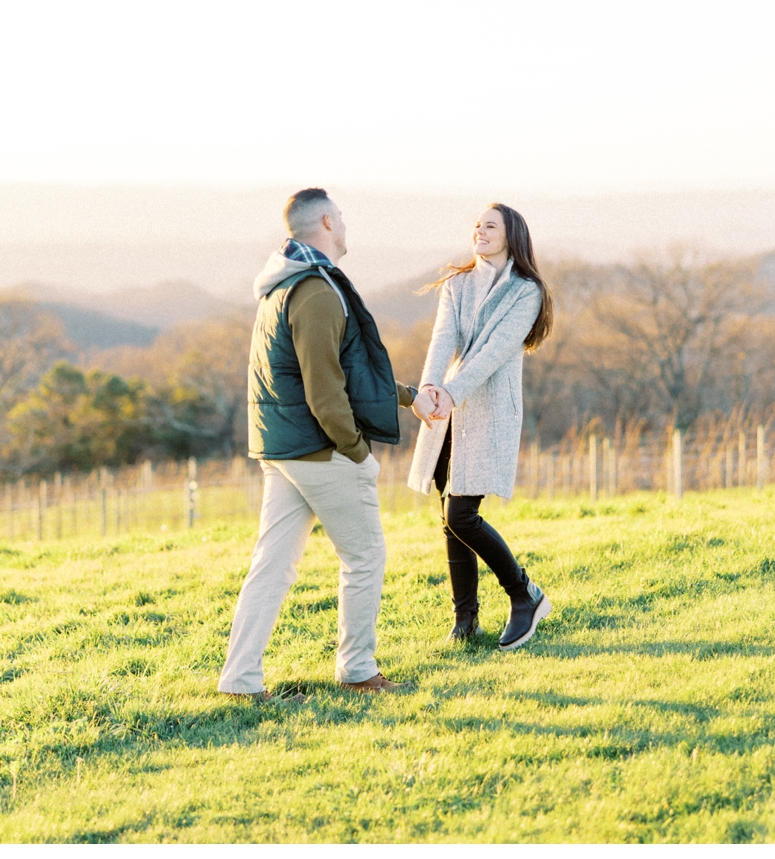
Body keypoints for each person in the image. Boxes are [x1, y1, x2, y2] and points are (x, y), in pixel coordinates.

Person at [218, 188, 437, 701]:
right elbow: (325, 387)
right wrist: (358, 452)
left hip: (283, 448)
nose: (346, 222)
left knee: (272, 566)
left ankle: (240, 680)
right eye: (341, 215)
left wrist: (408, 398)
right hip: (319, 449)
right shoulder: (316, 292)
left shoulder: (285, 283)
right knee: (365, 557)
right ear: (326, 221)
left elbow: (346, 371)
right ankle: (358, 670)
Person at [407, 203, 555, 650]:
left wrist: (450, 392)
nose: (480, 231)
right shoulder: (458, 283)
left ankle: (524, 593)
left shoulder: (526, 291)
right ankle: (465, 619)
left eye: (490, 225)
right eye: (476, 225)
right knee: (449, 516)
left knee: (462, 514)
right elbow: (442, 338)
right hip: (446, 410)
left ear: (512, 234)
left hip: (487, 410)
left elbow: (493, 352)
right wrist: (429, 389)